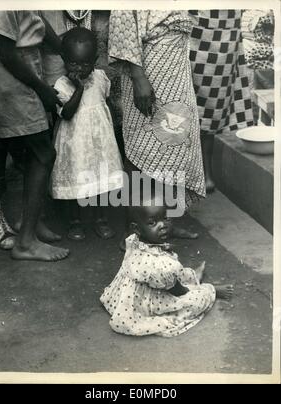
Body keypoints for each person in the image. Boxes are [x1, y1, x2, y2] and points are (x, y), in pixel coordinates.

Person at [108, 10, 206, 245]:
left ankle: (166, 222)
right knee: (142, 150)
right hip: (148, 73)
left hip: (176, 72)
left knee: (173, 147)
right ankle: (132, 233)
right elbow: (124, 26)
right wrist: (139, 78)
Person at [100, 192, 234, 337]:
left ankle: (192, 277)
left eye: (165, 218)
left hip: (131, 293)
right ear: (137, 228)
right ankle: (209, 289)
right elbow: (178, 291)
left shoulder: (137, 242)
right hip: (150, 300)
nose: (162, 226)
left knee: (173, 272)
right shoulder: (159, 265)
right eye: (152, 223)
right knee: (193, 300)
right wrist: (198, 291)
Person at [0, 10, 69, 261]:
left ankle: (30, 222)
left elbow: (36, 19)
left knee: (29, 153)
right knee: (43, 153)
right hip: (11, 72)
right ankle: (25, 243)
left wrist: (67, 50)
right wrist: (42, 89)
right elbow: (6, 51)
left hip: (24, 67)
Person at [50, 27, 123, 240]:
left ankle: (101, 219)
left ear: (95, 60)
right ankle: (75, 222)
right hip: (75, 143)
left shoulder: (100, 77)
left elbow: (106, 103)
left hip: (100, 141)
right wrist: (79, 89)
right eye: (73, 63)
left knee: (100, 180)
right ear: (64, 59)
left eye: (85, 63)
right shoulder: (62, 85)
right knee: (77, 178)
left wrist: (112, 134)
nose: (79, 68)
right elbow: (68, 113)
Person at [189, 10, 254, 193]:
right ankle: (190, 172)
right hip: (192, 29)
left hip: (225, 31)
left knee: (211, 108)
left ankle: (205, 172)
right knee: (181, 105)